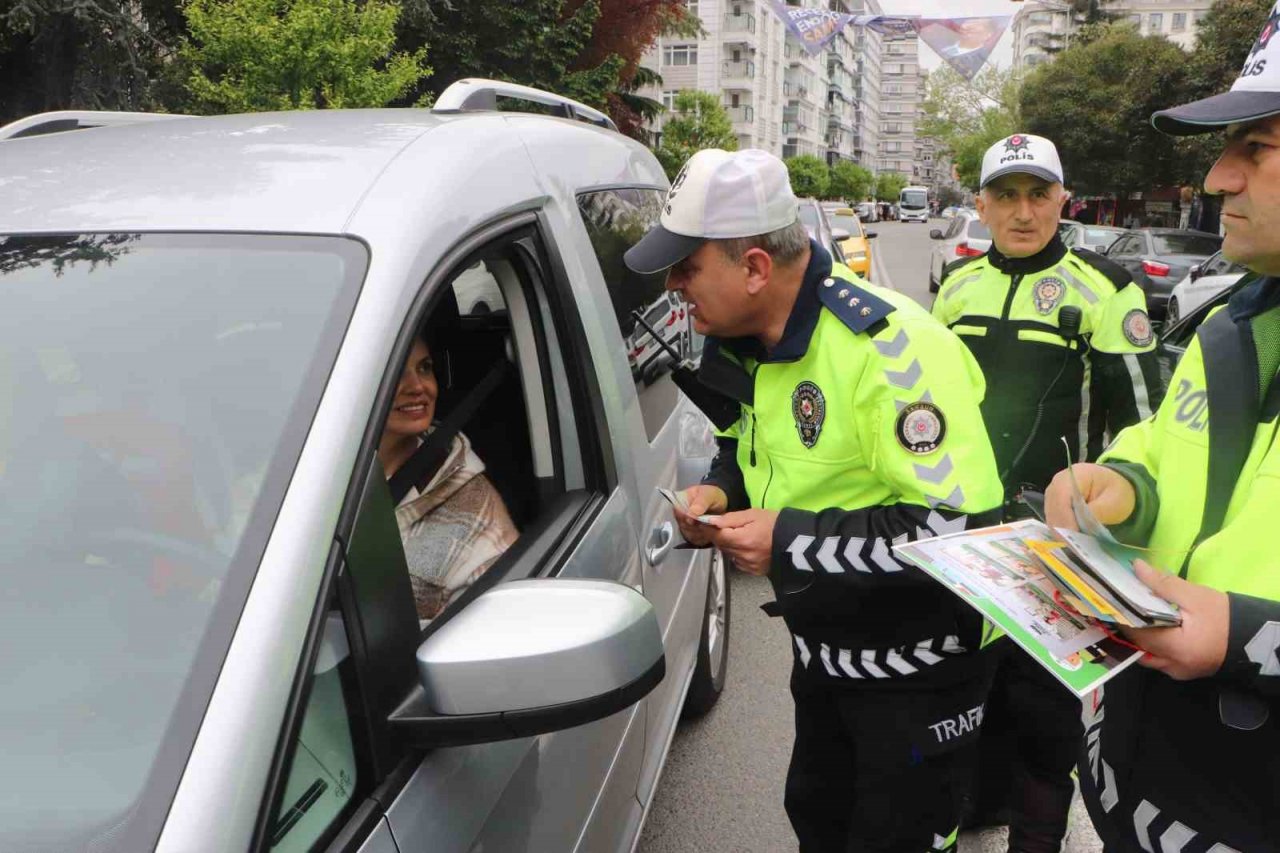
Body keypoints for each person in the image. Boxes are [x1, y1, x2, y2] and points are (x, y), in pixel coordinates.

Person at [624, 147, 1005, 852]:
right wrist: (722, 487)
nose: (675, 287)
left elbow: (960, 531)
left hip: (920, 670)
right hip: (826, 653)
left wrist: (788, 539)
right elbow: (749, 441)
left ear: (756, 268)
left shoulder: (892, 348)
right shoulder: (746, 342)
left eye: (688, 266)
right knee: (820, 819)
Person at [1045, 7, 1280, 847]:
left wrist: (1247, 639)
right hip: (1135, 784)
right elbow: (1163, 457)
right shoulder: (1229, 320)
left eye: (1256, 149)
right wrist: (1117, 487)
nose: (1217, 178)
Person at [931, 133, 1165, 852]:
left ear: (1065, 200)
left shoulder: (1106, 287)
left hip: (1059, 544)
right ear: (981, 204)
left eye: (1039, 194)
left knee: (1048, 722)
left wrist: (1120, 538)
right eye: (1006, 195)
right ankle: (975, 805)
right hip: (967, 535)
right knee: (966, 695)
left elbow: (1142, 429)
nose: (1023, 212)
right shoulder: (956, 285)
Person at [378, 325, 517, 620]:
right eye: (395, 372)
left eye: (424, 368)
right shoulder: (307, 474)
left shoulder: (474, 506)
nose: (418, 386)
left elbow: (503, 623)